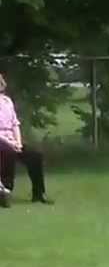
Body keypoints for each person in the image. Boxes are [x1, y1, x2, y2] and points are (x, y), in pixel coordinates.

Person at [0, 73, 52, 208]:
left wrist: (18, 142)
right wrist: (11, 144)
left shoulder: (7, 101)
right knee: (8, 153)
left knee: (35, 155)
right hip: (1, 140)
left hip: (12, 138)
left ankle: (39, 194)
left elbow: (15, 124)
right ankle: (5, 192)